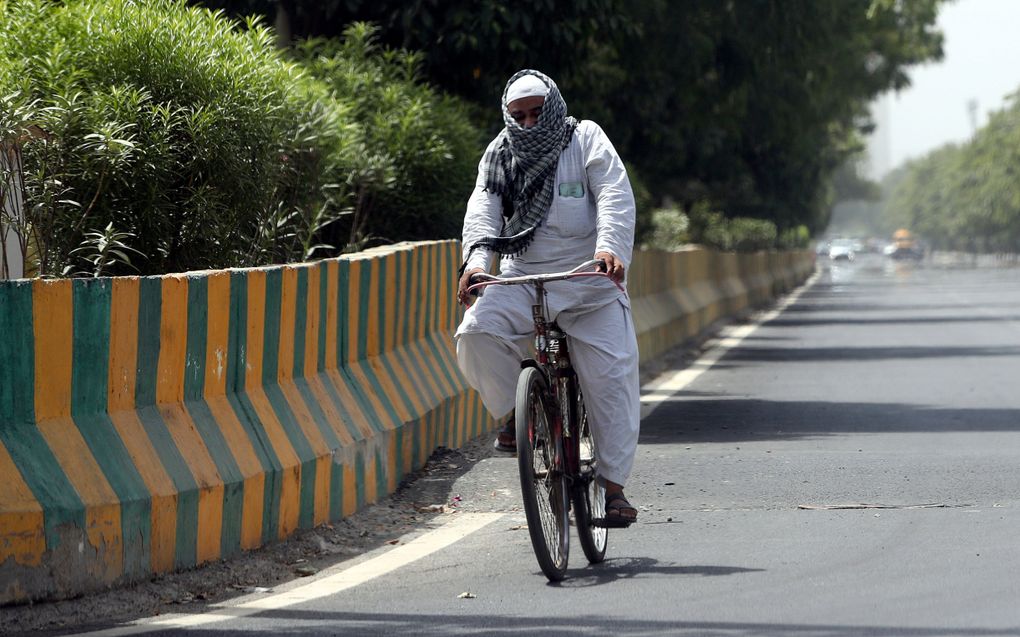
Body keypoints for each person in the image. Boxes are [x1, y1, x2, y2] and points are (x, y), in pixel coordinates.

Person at [454, 69, 640, 525]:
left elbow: (615, 193)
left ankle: (613, 489)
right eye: (519, 116)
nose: (529, 124)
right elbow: (483, 207)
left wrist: (610, 250)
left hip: (589, 279)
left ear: (553, 106)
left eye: (537, 113)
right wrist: (476, 265)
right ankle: (518, 418)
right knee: (475, 332)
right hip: (524, 277)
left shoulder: (585, 139)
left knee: (611, 378)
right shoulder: (500, 152)